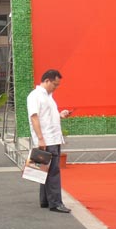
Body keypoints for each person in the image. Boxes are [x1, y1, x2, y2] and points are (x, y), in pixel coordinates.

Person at [27, 69, 72, 213]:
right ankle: (56, 203)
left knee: (44, 170)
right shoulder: (35, 96)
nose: (56, 87)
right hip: (47, 139)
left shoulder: (48, 96)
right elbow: (34, 117)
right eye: (55, 84)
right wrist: (41, 138)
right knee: (53, 171)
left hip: (52, 138)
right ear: (47, 81)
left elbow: (46, 117)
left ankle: (45, 200)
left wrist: (60, 115)